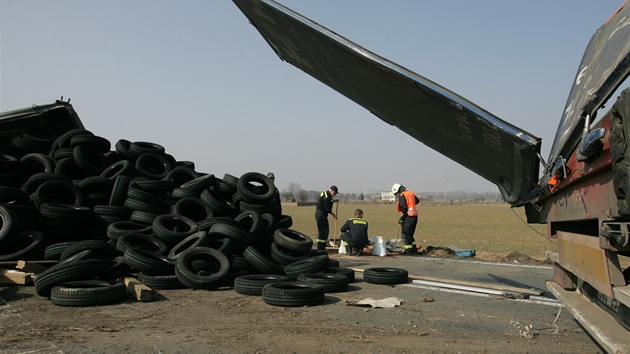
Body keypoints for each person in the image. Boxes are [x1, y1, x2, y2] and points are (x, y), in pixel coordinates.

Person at [392, 183, 419, 254]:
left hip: (408, 216)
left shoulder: (402, 195)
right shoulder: (410, 193)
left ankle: (408, 250)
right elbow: (417, 201)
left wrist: (402, 218)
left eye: (396, 194)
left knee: (405, 233)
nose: (397, 195)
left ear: (397, 190)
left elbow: (404, 208)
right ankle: (414, 248)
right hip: (415, 216)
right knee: (410, 234)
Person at [315, 185, 339, 250]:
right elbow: (327, 209)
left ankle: (321, 245)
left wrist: (334, 201)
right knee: (324, 230)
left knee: (322, 230)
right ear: (331, 190)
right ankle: (321, 247)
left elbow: (328, 201)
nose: (334, 195)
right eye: (334, 193)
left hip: (320, 213)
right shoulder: (327, 196)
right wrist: (334, 215)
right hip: (321, 214)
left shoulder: (326, 194)